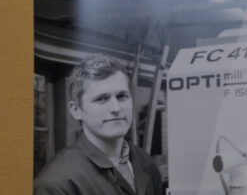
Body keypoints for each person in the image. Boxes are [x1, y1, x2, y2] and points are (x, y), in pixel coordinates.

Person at [34, 55, 163, 195]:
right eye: (101, 99)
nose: (116, 108)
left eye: (122, 96)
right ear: (76, 110)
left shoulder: (145, 162)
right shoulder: (56, 184)